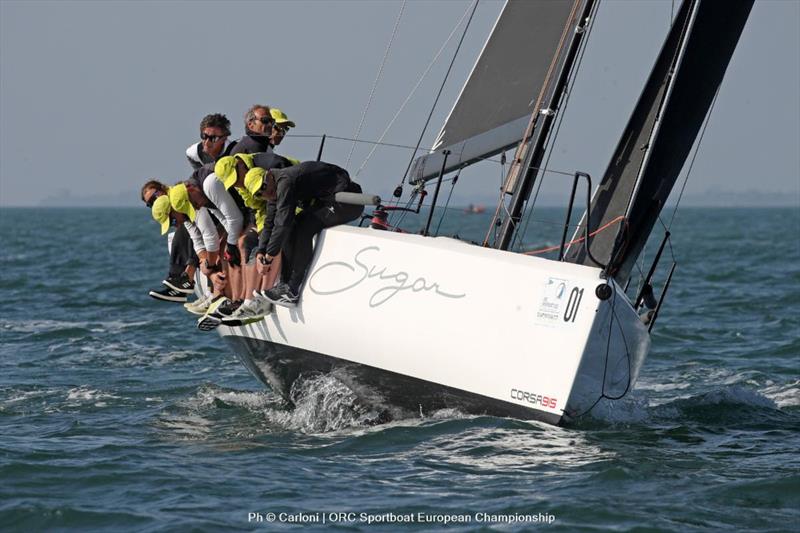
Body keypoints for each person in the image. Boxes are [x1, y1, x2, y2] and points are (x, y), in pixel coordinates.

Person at [250, 161, 364, 307]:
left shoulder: (284, 182)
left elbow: (282, 223)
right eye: (259, 194)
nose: (264, 193)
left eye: (263, 186)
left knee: (303, 227)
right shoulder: (274, 190)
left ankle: (292, 290)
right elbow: (269, 223)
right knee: (294, 226)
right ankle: (284, 284)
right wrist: (261, 251)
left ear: (269, 176)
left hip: (346, 202)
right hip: (328, 200)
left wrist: (269, 257)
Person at [213, 153, 294, 321]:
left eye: (236, 179)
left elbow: (282, 199)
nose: (238, 184)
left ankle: (264, 298)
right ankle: (247, 300)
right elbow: (257, 208)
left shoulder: (271, 164)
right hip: (269, 216)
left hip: (292, 208)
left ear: (240, 165)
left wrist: (265, 233)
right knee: (244, 242)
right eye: (233, 183)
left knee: (271, 243)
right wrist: (260, 229)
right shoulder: (240, 184)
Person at [150, 192, 228, 311]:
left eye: (173, 221)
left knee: (215, 252)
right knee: (199, 248)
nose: (176, 225)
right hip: (225, 222)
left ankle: (215, 294)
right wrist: (205, 263)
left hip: (233, 219)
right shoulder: (183, 213)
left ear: (173, 209)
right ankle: (184, 282)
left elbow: (210, 238)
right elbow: (197, 241)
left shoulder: (195, 207)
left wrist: (209, 266)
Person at [141, 180, 198, 302]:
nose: (155, 202)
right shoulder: (169, 207)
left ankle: (181, 280)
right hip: (201, 232)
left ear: (163, 188)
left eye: (154, 197)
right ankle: (176, 282)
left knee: (184, 230)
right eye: (150, 203)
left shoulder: (177, 197)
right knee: (181, 232)